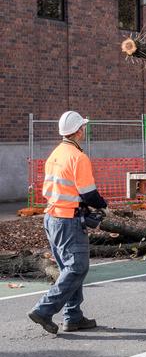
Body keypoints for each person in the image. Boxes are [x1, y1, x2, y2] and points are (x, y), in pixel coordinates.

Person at [28, 111, 107, 334]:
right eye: (83, 126)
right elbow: (89, 193)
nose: (84, 129)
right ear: (79, 131)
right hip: (67, 220)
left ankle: (73, 316)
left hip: (52, 218)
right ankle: (44, 310)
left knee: (67, 268)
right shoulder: (78, 157)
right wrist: (103, 205)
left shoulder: (56, 154)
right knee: (77, 267)